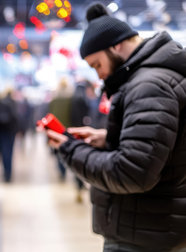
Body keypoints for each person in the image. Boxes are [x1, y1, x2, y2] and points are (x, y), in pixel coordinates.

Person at [43, 2, 186, 251]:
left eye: (97, 65)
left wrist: (70, 149)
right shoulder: (153, 79)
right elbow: (163, 146)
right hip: (154, 226)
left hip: (145, 233)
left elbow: (132, 173)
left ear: (116, 46)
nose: (98, 75)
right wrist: (110, 137)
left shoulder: (148, 86)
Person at [70, 80, 95, 203]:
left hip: (74, 133)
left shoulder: (72, 99)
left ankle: (79, 186)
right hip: (86, 133)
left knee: (77, 159)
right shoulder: (85, 100)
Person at [48, 77, 73, 181]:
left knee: (58, 151)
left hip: (56, 129)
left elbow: (51, 115)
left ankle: (62, 171)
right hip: (68, 129)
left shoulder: (54, 99)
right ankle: (67, 169)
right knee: (69, 150)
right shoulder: (71, 99)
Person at [0, 90, 19, 182]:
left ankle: (6, 172)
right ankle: (9, 173)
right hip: (11, 131)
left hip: (2, 131)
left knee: (4, 152)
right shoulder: (13, 102)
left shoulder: (1, 102)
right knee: (10, 152)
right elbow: (16, 117)